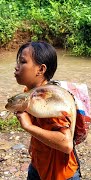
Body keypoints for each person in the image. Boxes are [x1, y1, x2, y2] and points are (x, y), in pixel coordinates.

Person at [14, 42, 80, 179]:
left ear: (40, 69)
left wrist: (28, 126)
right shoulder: (29, 93)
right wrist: (34, 145)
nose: (16, 67)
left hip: (60, 174)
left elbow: (66, 144)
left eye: (22, 62)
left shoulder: (49, 101)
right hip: (38, 166)